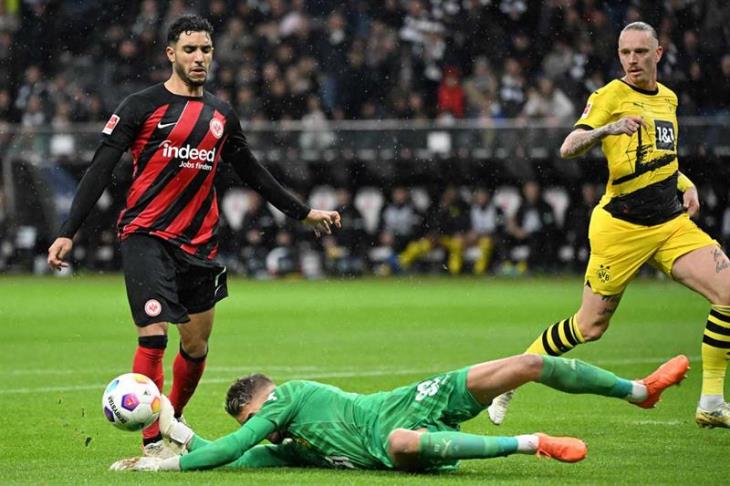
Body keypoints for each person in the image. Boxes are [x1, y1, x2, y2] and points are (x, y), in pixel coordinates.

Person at [46, 15, 341, 452]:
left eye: (205, 50)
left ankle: (173, 419)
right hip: (146, 233)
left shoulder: (222, 115)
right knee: (153, 334)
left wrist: (302, 213)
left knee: (196, 345)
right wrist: (69, 230)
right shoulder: (139, 106)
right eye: (189, 50)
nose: (199, 57)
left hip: (200, 243)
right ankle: (151, 442)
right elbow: (99, 169)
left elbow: (253, 172)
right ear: (171, 54)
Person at [487, 21, 730, 429]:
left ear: (659, 53)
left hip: (670, 224)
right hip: (620, 228)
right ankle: (509, 381)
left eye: (640, 52)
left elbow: (663, 156)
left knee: (727, 293)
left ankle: (711, 402)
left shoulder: (667, 99)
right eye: (625, 53)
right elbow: (568, 147)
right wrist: (608, 129)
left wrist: (685, 184)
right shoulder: (609, 96)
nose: (632, 60)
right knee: (589, 326)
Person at [110, 353, 689, 472]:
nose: (260, 428)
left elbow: (233, 446)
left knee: (528, 364)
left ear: (265, 397)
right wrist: (170, 428)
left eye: (254, 417)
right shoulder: (293, 444)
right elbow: (231, 457)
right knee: (403, 447)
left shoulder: (290, 397)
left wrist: (165, 469)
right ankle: (532, 442)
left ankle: (640, 390)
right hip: (404, 438)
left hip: (405, 402)